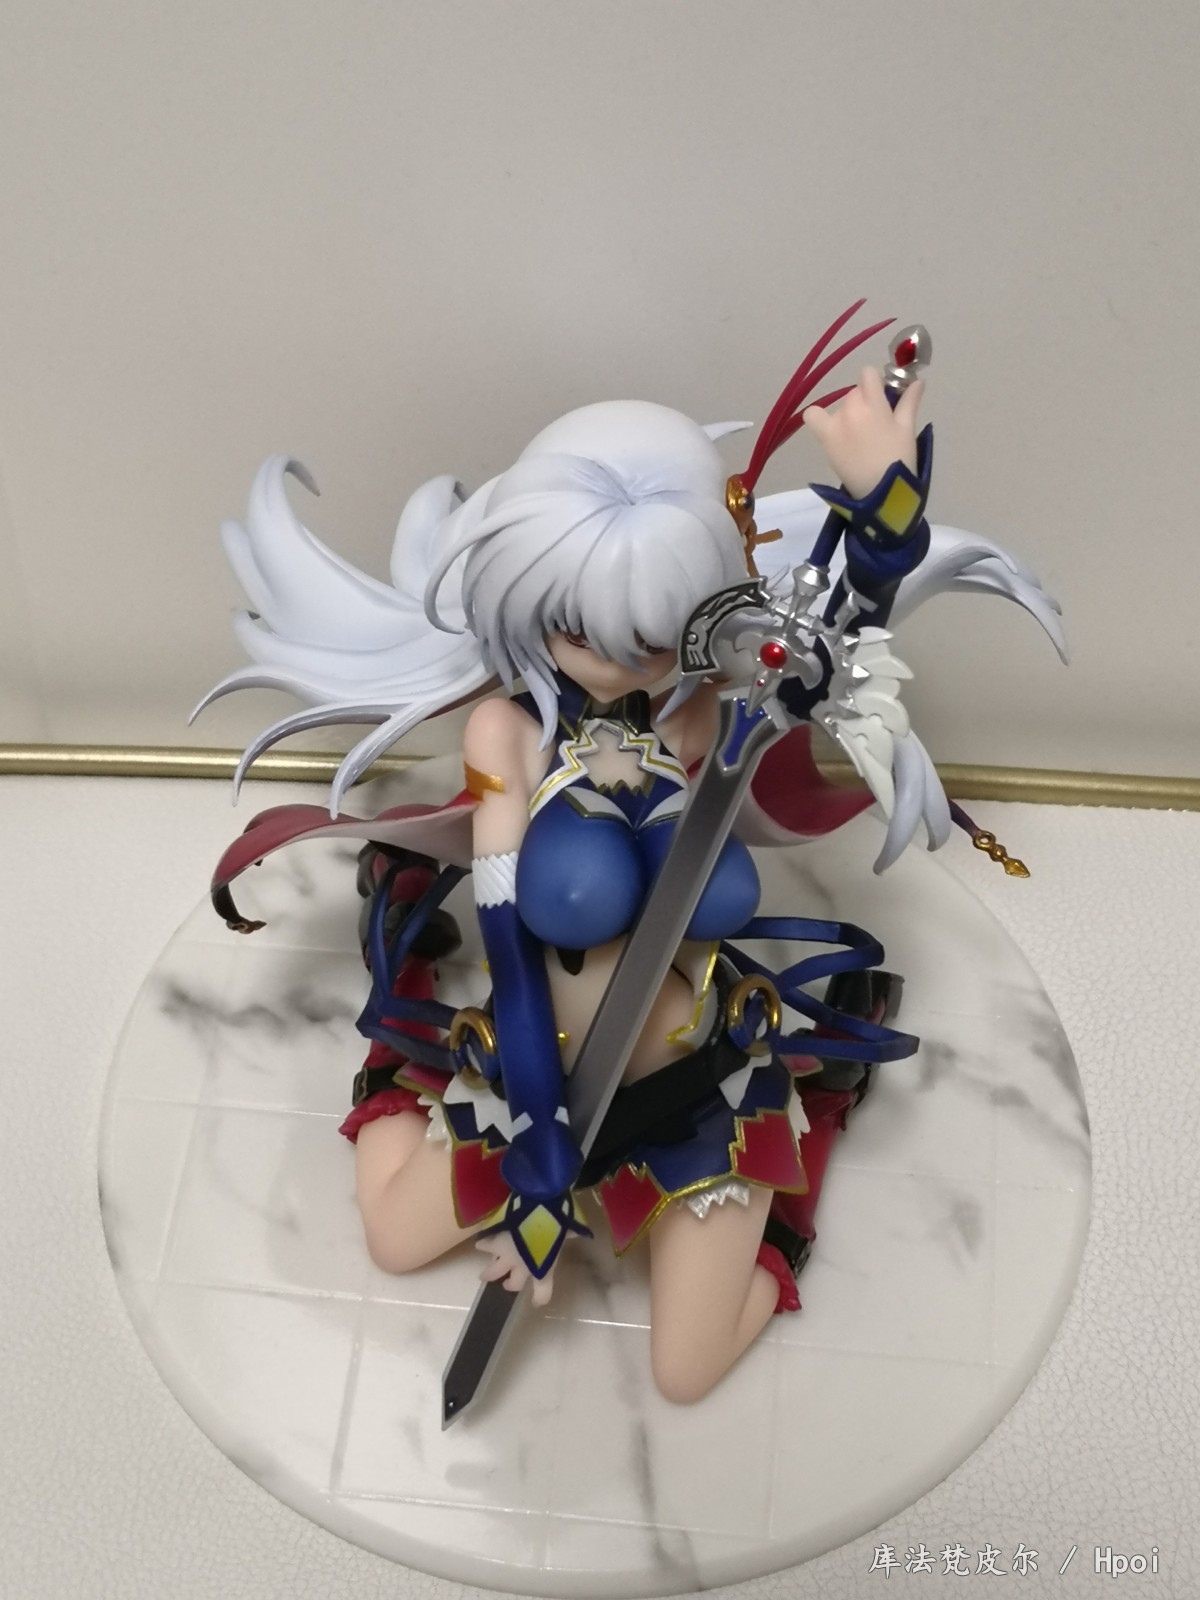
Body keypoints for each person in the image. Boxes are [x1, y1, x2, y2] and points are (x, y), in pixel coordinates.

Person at [200, 305, 1064, 1403]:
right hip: (542, 1069)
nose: (617, 662)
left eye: (650, 635)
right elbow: (512, 947)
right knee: (389, 1238)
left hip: (701, 1081)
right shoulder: (506, 737)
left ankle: (827, 1108)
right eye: (582, 628)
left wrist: (886, 509)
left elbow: (836, 643)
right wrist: (540, 1142)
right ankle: (400, 962)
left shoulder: (707, 716)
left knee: (686, 1372)